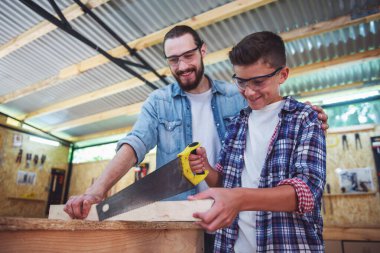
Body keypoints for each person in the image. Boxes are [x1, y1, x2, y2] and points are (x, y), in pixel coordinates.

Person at [64, 26, 328, 252]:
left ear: (203, 51)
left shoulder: (236, 98)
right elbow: (135, 143)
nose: (182, 66)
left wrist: (306, 116)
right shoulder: (160, 102)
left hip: (234, 222)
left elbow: (271, 104)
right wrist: (96, 192)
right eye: (173, 59)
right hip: (181, 218)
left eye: (188, 55)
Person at [188, 31, 326, 253]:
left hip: (287, 245)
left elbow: (307, 193)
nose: (249, 91)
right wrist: (205, 169)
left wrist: (239, 199)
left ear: (282, 75)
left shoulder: (305, 118)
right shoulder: (236, 124)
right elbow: (225, 183)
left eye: (258, 82)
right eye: (241, 82)